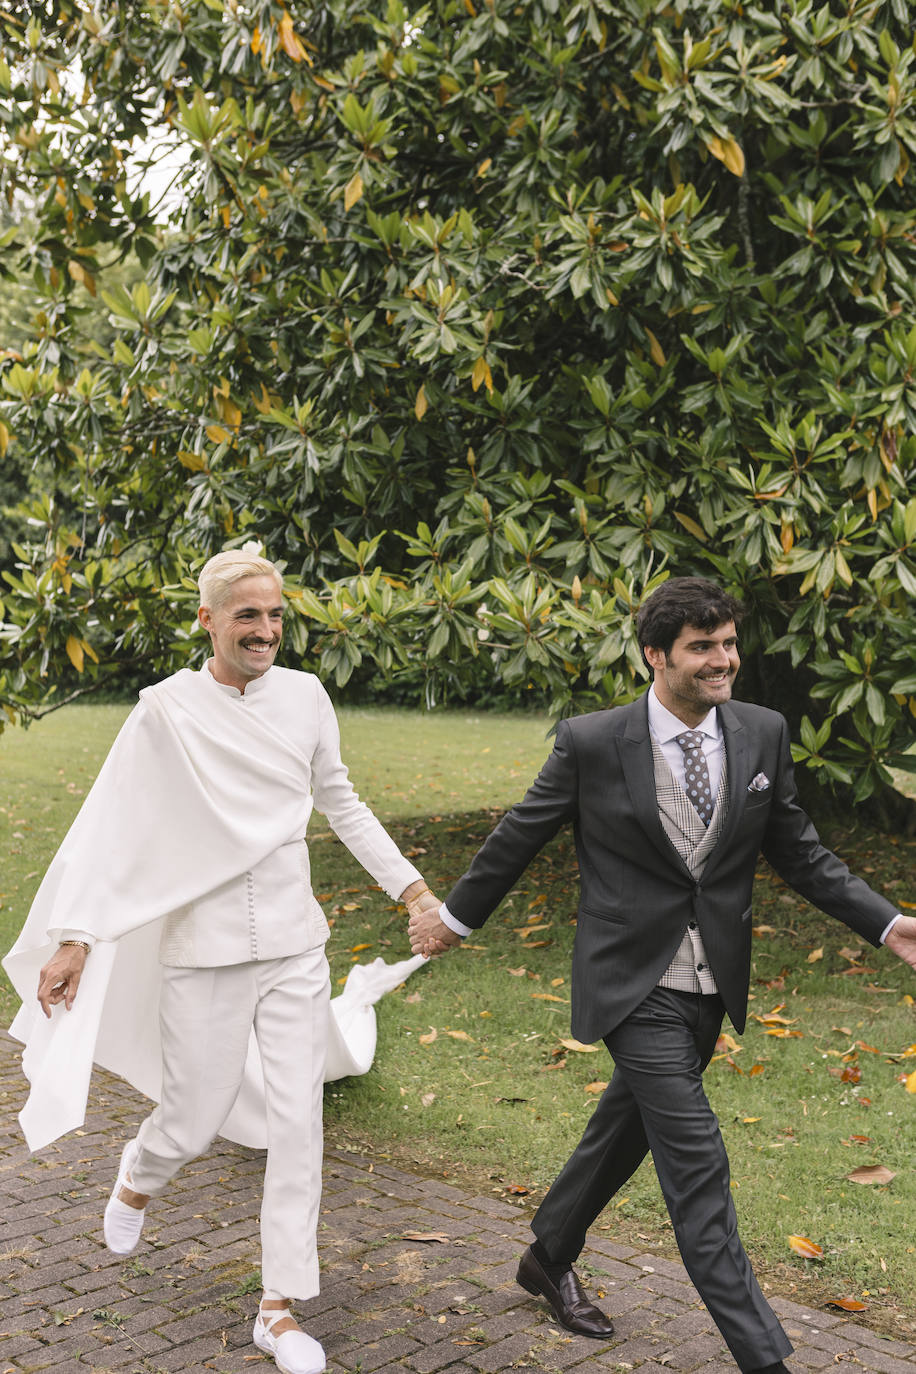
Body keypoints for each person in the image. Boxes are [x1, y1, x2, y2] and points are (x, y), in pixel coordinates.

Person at [408, 576, 916, 1374]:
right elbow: (518, 837)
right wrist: (455, 918)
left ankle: (549, 1254)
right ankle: (765, 1358)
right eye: (702, 648)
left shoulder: (762, 732)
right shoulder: (593, 742)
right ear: (656, 656)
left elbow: (801, 853)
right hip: (629, 983)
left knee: (626, 1130)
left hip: (711, 987)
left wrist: (888, 925)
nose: (724, 661)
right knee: (696, 1162)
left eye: (728, 644)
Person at [3, 549, 441, 1374]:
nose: (267, 631)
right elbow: (115, 824)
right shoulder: (164, 710)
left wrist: (412, 893)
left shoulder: (308, 697)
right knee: (194, 1117)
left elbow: (339, 798)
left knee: (296, 1121)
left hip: (293, 945)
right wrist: (77, 936)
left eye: (276, 615)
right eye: (249, 616)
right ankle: (142, 1168)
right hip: (200, 953)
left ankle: (278, 1311)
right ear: (208, 620)